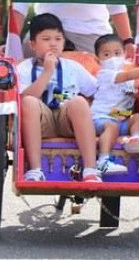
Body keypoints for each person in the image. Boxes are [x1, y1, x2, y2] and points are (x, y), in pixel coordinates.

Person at [17, 13, 101, 182]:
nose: (53, 44)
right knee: (28, 102)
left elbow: (97, 92)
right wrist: (47, 72)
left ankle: (90, 170)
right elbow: (23, 98)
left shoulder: (74, 67)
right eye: (46, 39)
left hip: (67, 119)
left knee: (79, 101)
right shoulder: (24, 68)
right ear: (33, 44)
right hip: (40, 121)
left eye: (58, 39)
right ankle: (35, 170)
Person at [91, 34, 139, 175]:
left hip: (120, 118)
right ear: (98, 59)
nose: (113, 58)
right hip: (101, 118)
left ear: (124, 55)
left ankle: (136, 139)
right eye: (106, 54)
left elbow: (131, 95)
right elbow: (127, 76)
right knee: (112, 127)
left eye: (117, 53)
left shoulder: (128, 80)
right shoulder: (105, 74)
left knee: (138, 117)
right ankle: (103, 161)